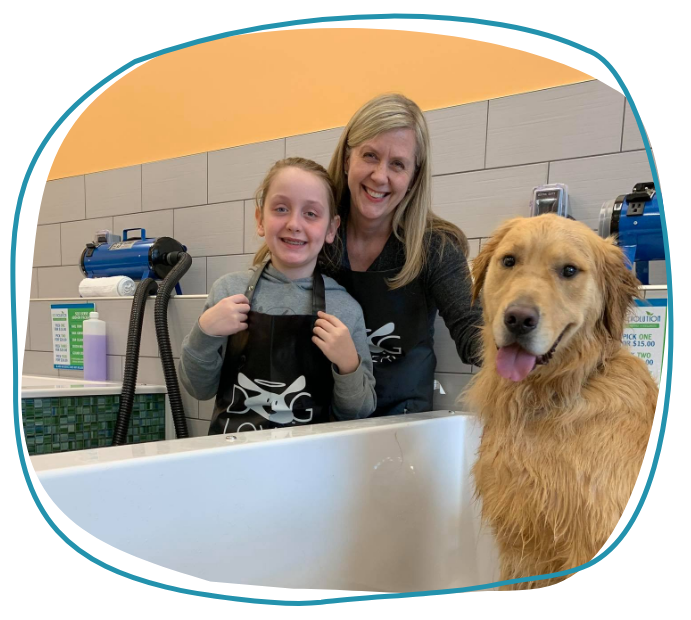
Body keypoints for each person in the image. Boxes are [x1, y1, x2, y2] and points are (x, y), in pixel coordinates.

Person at [179, 157, 377, 434]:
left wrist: (348, 365)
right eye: (281, 209)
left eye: (311, 214)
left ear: (331, 229)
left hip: (308, 469)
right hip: (232, 465)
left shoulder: (344, 308)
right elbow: (197, 389)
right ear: (261, 220)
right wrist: (204, 332)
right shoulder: (227, 292)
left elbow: (358, 412)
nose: (294, 224)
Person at [324, 93, 483, 417]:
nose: (380, 176)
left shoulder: (436, 246)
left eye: (397, 164)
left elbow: (474, 332)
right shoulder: (315, 232)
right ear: (346, 159)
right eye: (370, 155)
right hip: (321, 424)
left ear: (412, 178)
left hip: (404, 428)